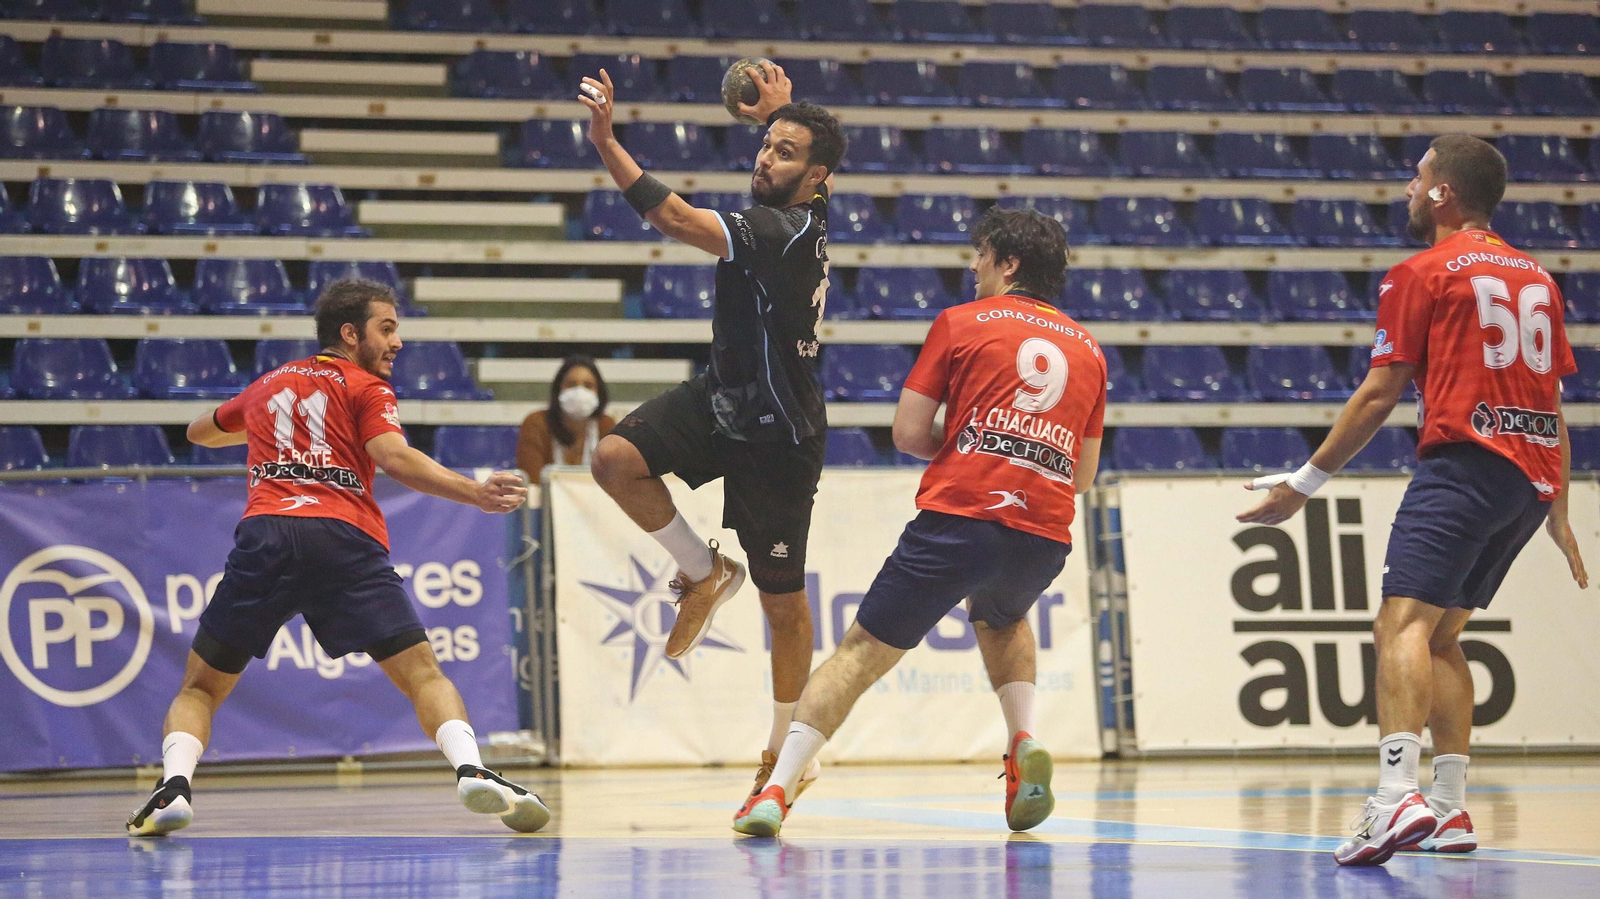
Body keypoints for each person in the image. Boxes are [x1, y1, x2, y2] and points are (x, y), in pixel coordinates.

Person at [1238, 134, 1588, 867]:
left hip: (1463, 464)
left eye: (1416, 176)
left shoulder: (1422, 272)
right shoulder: (1538, 279)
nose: (1407, 187)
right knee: (1440, 636)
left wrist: (1302, 483)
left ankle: (1396, 796)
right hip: (1526, 480)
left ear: (1442, 195)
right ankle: (1450, 808)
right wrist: (1555, 504)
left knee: (1399, 622)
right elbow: (1551, 396)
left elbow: (1377, 394)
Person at [126, 279, 551, 837]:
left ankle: (174, 787)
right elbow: (394, 457)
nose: (397, 342)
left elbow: (198, 432)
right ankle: (471, 769)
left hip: (268, 534)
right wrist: (472, 492)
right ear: (350, 334)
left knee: (200, 688)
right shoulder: (366, 387)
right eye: (387, 328)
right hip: (342, 536)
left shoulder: (268, 384)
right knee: (423, 674)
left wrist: (269, 432)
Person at [733, 208, 1107, 836]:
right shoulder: (1091, 351)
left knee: (858, 655)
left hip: (962, 517)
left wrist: (973, 443)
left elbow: (907, 434)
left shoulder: (961, 323)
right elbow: (1083, 474)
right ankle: (1023, 742)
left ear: (1009, 264)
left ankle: (775, 789)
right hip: (1044, 532)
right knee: (1003, 617)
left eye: (981, 255)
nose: (973, 266)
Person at [577, 65, 846, 798]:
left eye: (783, 152)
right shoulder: (810, 200)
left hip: (780, 433)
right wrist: (787, 114)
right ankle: (703, 569)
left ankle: (787, 748)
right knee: (613, 458)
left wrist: (606, 142)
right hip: (723, 396)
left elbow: (672, 218)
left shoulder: (782, 230)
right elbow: (807, 153)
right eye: (766, 145)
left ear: (813, 177)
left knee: (783, 604)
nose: (765, 156)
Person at [516, 354, 616, 475]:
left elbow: (615, 480)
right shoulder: (536, 424)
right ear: (559, 390)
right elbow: (532, 482)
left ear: (599, 393)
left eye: (588, 386)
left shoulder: (606, 426)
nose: (580, 392)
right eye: (571, 384)